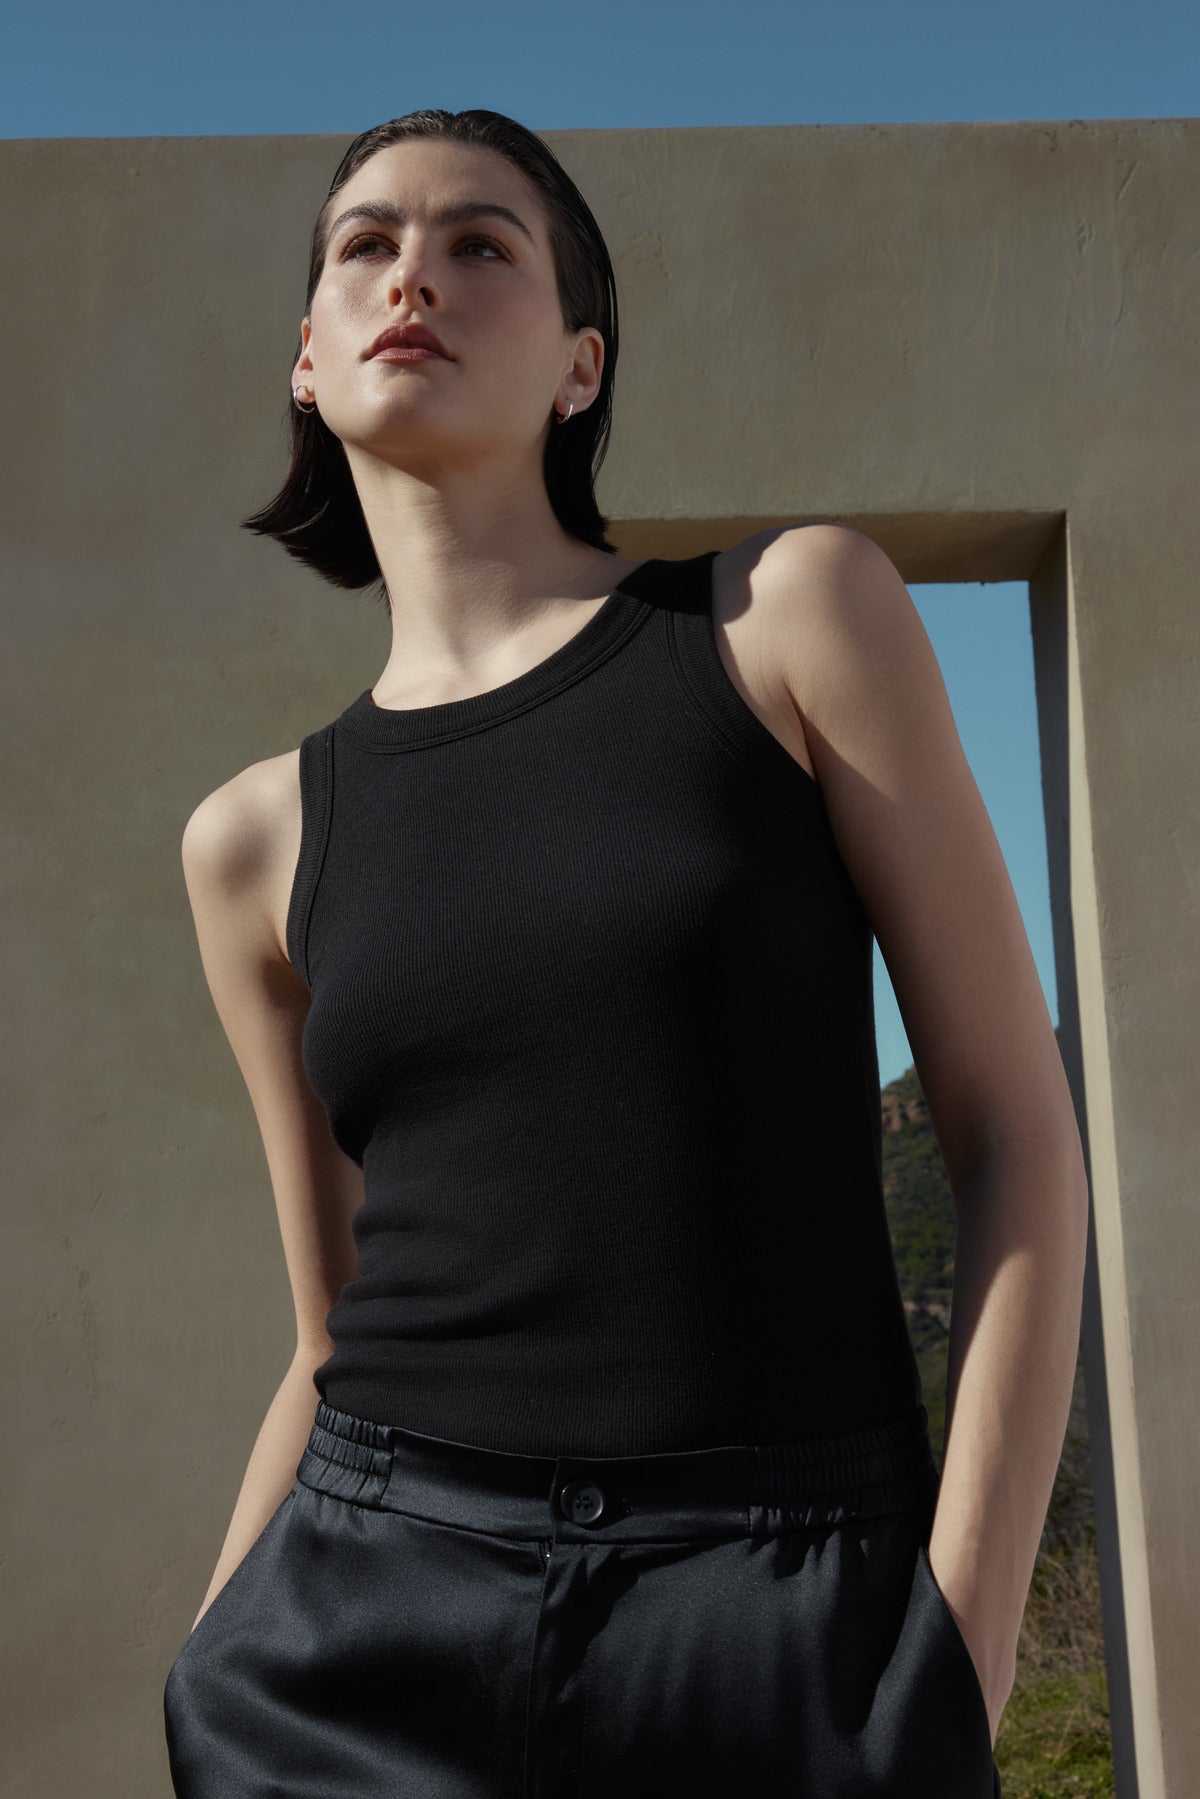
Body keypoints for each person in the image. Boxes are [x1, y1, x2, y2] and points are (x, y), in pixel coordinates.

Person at [162, 106, 1089, 1798]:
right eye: (364, 245)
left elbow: (1020, 1142)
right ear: (307, 357)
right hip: (360, 1624)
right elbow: (333, 1324)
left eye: (480, 244)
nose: (413, 276)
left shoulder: (786, 622)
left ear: (580, 366)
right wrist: (219, 1647)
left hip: (776, 1611)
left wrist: (954, 1654)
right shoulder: (252, 842)